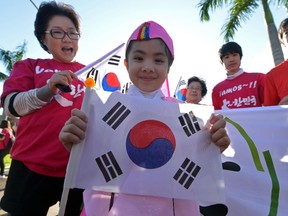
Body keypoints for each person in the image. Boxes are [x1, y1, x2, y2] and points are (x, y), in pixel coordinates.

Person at [59, 20, 230, 216]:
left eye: (158, 60)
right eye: (139, 58)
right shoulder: (105, 110)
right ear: (126, 64)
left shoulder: (182, 113)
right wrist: (75, 145)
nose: (148, 67)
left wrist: (213, 147)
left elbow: (196, 161)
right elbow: (90, 160)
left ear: (168, 67)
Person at [0, 1, 85, 215]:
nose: (67, 38)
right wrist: (47, 89)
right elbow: (11, 107)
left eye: (73, 33)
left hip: (75, 171)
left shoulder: (91, 73)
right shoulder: (28, 66)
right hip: (29, 166)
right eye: (57, 32)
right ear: (43, 40)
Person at [212, 41, 265, 110]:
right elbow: (218, 115)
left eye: (234, 55)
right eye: (226, 57)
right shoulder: (217, 89)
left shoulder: (259, 78)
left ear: (240, 57)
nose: (231, 59)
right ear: (222, 62)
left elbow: (270, 105)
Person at [264, 18, 288, 106]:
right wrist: (281, 107)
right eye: (287, 33)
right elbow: (270, 115)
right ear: (283, 41)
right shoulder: (272, 76)